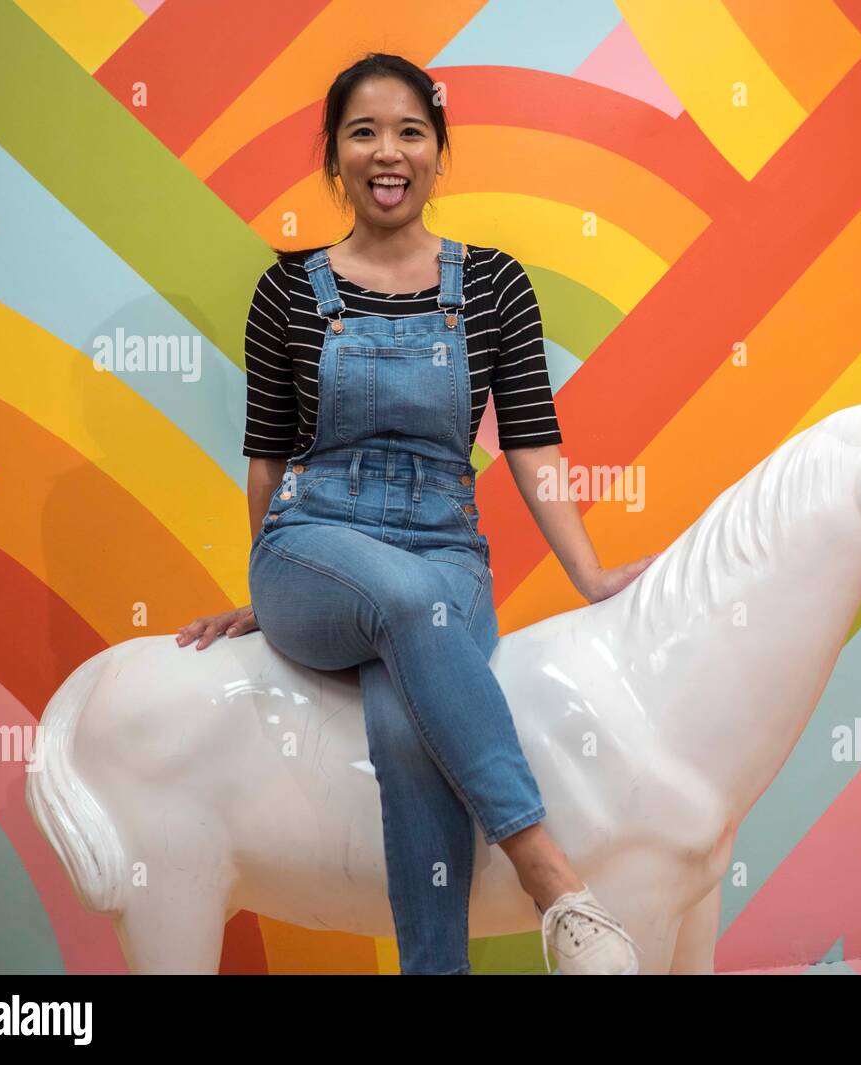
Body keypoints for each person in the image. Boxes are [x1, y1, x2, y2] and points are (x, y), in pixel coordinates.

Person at [175, 53, 657, 975]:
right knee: (397, 596)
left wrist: (589, 574)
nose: (387, 153)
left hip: (446, 555)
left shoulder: (494, 285)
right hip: (314, 543)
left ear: (438, 151)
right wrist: (275, 591)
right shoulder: (286, 291)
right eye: (363, 133)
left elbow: (532, 444)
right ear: (334, 158)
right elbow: (268, 455)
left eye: (409, 132)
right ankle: (556, 884)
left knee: (407, 726)